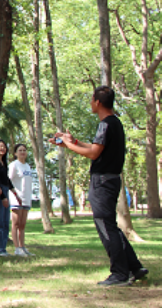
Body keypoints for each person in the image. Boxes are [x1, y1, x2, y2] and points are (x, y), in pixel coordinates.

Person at [51, 86, 148, 286]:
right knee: (111, 226)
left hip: (103, 182)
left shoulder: (106, 125)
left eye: (91, 99)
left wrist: (68, 145)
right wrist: (72, 142)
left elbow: (94, 154)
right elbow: (97, 148)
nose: (90, 103)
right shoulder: (115, 123)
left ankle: (120, 274)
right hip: (110, 180)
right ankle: (134, 266)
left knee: (105, 227)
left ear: (97, 102)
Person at [0, 140, 21, 256]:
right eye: (0, 146)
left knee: (5, 221)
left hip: (5, 190)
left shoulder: (3, 163)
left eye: (4, 147)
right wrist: (3, 195)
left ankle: (3, 247)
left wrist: (14, 192)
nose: (2, 149)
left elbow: (7, 180)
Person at [8, 144, 34, 257]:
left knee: (23, 224)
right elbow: (8, 180)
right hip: (16, 198)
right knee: (16, 223)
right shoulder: (14, 165)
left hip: (26, 198)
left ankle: (23, 246)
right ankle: (17, 248)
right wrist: (14, 194)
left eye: (24, 150)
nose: (22, 152)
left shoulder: (28, 166)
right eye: (20, 150)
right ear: (15, 153)